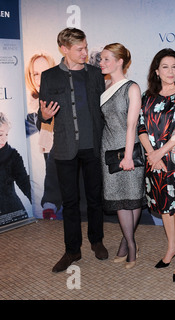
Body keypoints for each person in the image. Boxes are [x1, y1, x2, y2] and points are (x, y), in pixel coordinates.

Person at [38, 28, 108, 273]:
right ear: (64, 49)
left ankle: (96, 241)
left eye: (86, 47)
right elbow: (43, 116)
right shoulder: (49, 76)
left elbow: (104, 112)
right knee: (69, 202)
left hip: (93, 145)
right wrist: (44, 116)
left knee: (94, 198)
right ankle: (72, 250)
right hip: (65, 146)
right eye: (80, 49)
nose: (85, 53)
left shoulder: (96, 74)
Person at [138, 48, 175, 282]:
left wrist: (159, 153)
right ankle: (171, 247)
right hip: (154, 159)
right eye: (165, 67)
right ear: (156, 71)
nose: (170, 71)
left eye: (174, 67)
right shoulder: (147, 96)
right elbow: (141, 128)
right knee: (163, 206)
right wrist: (152, 155)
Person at [99, 43, 145, 269]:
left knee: (132, 197)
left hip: (130, 148)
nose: (102, 63)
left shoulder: (132, 87)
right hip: (107, 150)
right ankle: (128, 241)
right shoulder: (104, 86)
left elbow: (132, 124)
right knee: (119, 199)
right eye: (101, 59)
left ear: (120, 62)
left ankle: (130, 246)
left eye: (107, 59)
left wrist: (127, 156)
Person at [25, 52, 62, 220]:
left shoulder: (63, 100)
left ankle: (51, 202)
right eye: (36, 74)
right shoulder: (26, 107)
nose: (41, 78)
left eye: (45, 72)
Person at [0, 112, 31, 221]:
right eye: (0, 134)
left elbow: (25, 183)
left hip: (13, 212)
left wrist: (39, 205)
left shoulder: (13, 155)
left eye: (6, 134)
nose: (4, 139)